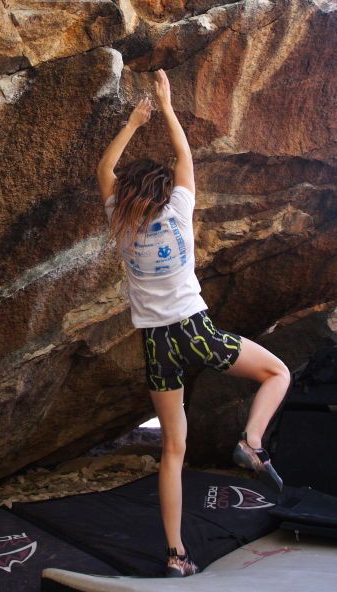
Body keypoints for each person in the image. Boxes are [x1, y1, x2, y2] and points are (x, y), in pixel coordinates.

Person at [96, 69, 291, 578]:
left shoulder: (121, 221)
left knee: (172, 451)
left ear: (131, 195)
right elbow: (185, 157)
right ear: (164, 193)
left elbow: (106, 166)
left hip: (157, 344)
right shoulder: (180, 209)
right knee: (278, 374)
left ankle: (177, 553)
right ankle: (250, 442)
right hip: (195, 330)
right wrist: (163, 107)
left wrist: (134, 121)